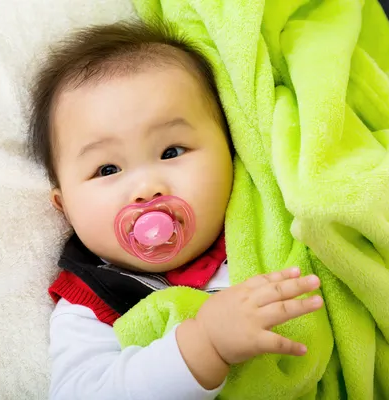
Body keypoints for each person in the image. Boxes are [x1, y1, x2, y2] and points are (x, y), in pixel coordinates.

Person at [27, 20, 323, 400]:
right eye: (107, 170)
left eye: (171, 152)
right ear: (64, 208)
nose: (147, 188)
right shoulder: (90, 305)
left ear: (232, 148)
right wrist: (204, 346)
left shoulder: (267, 226)